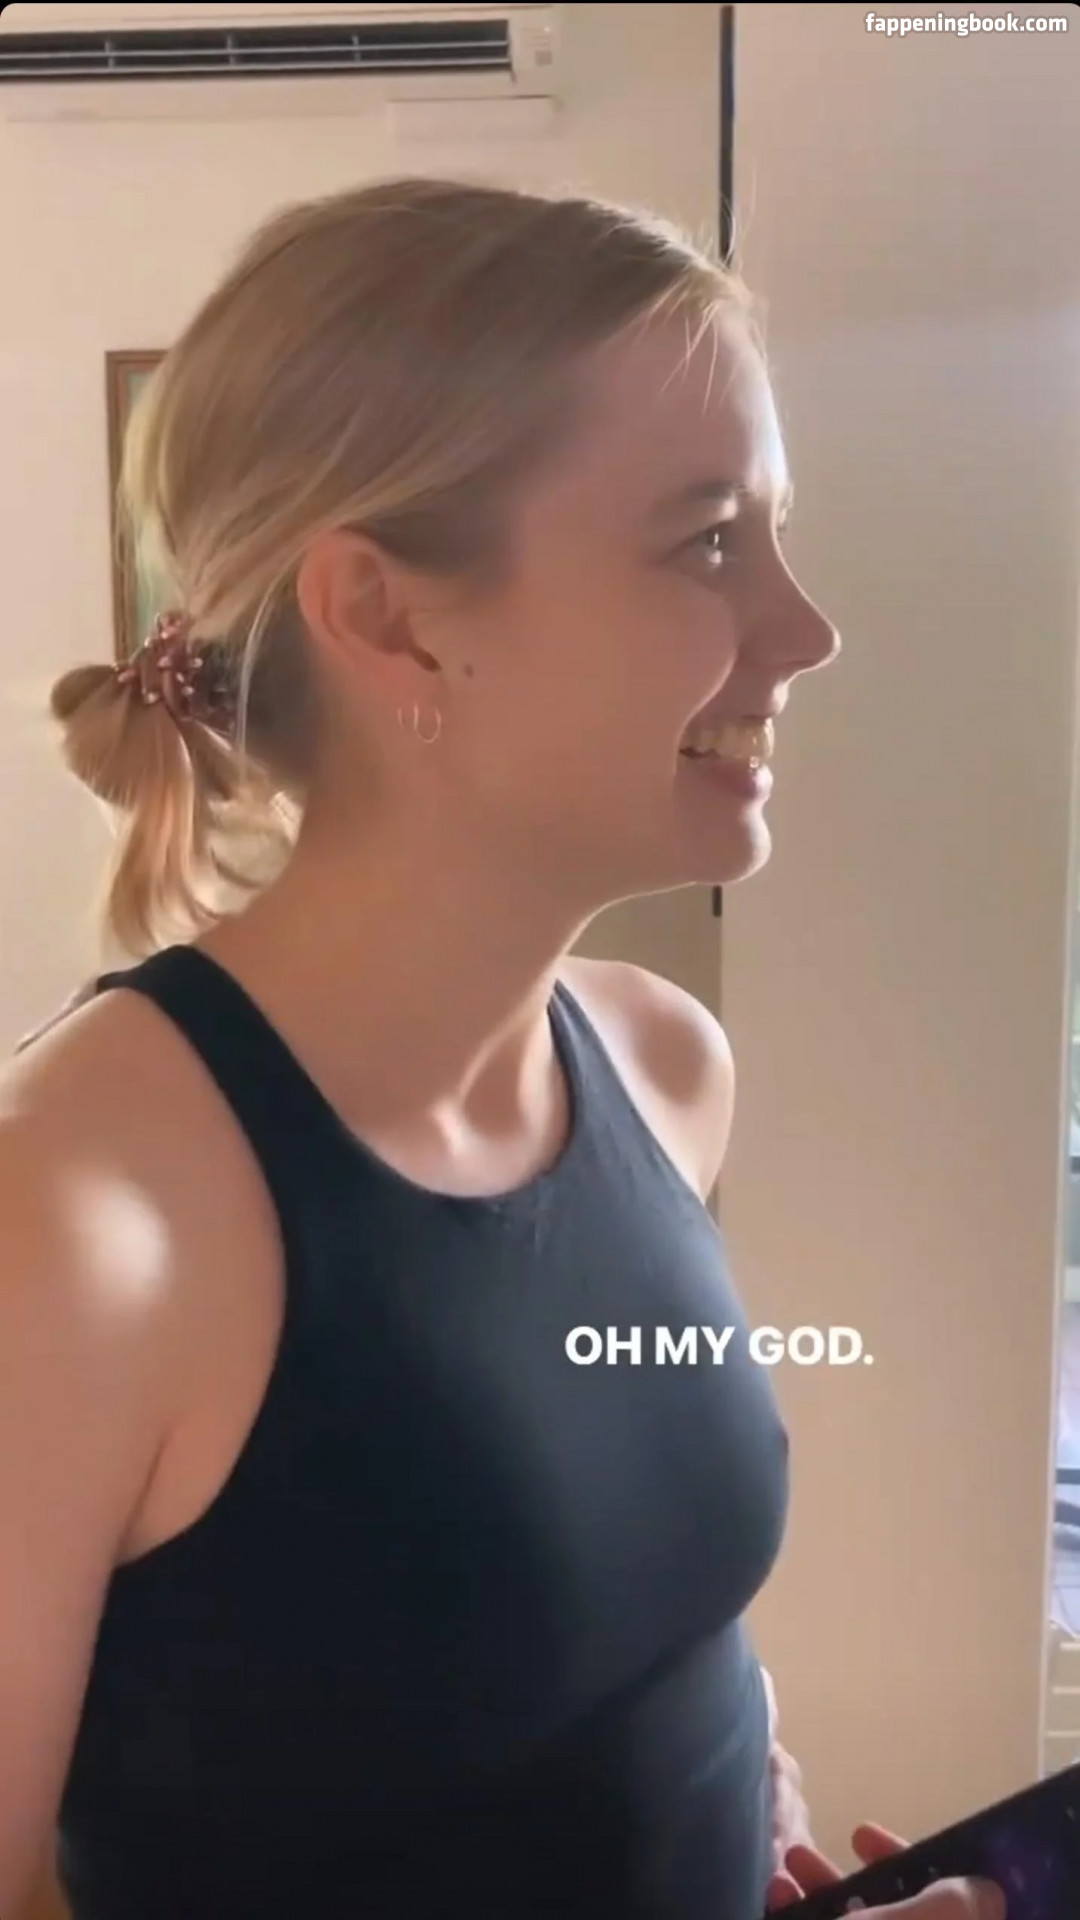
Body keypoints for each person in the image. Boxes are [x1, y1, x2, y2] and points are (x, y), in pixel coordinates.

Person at [0, 179, 1003, 1920]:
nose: (805, 630)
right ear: (391, 617)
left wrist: (760, 1831)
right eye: (709, 540)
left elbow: (628, 1659)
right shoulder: (78, 1215)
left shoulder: (665, 1071)